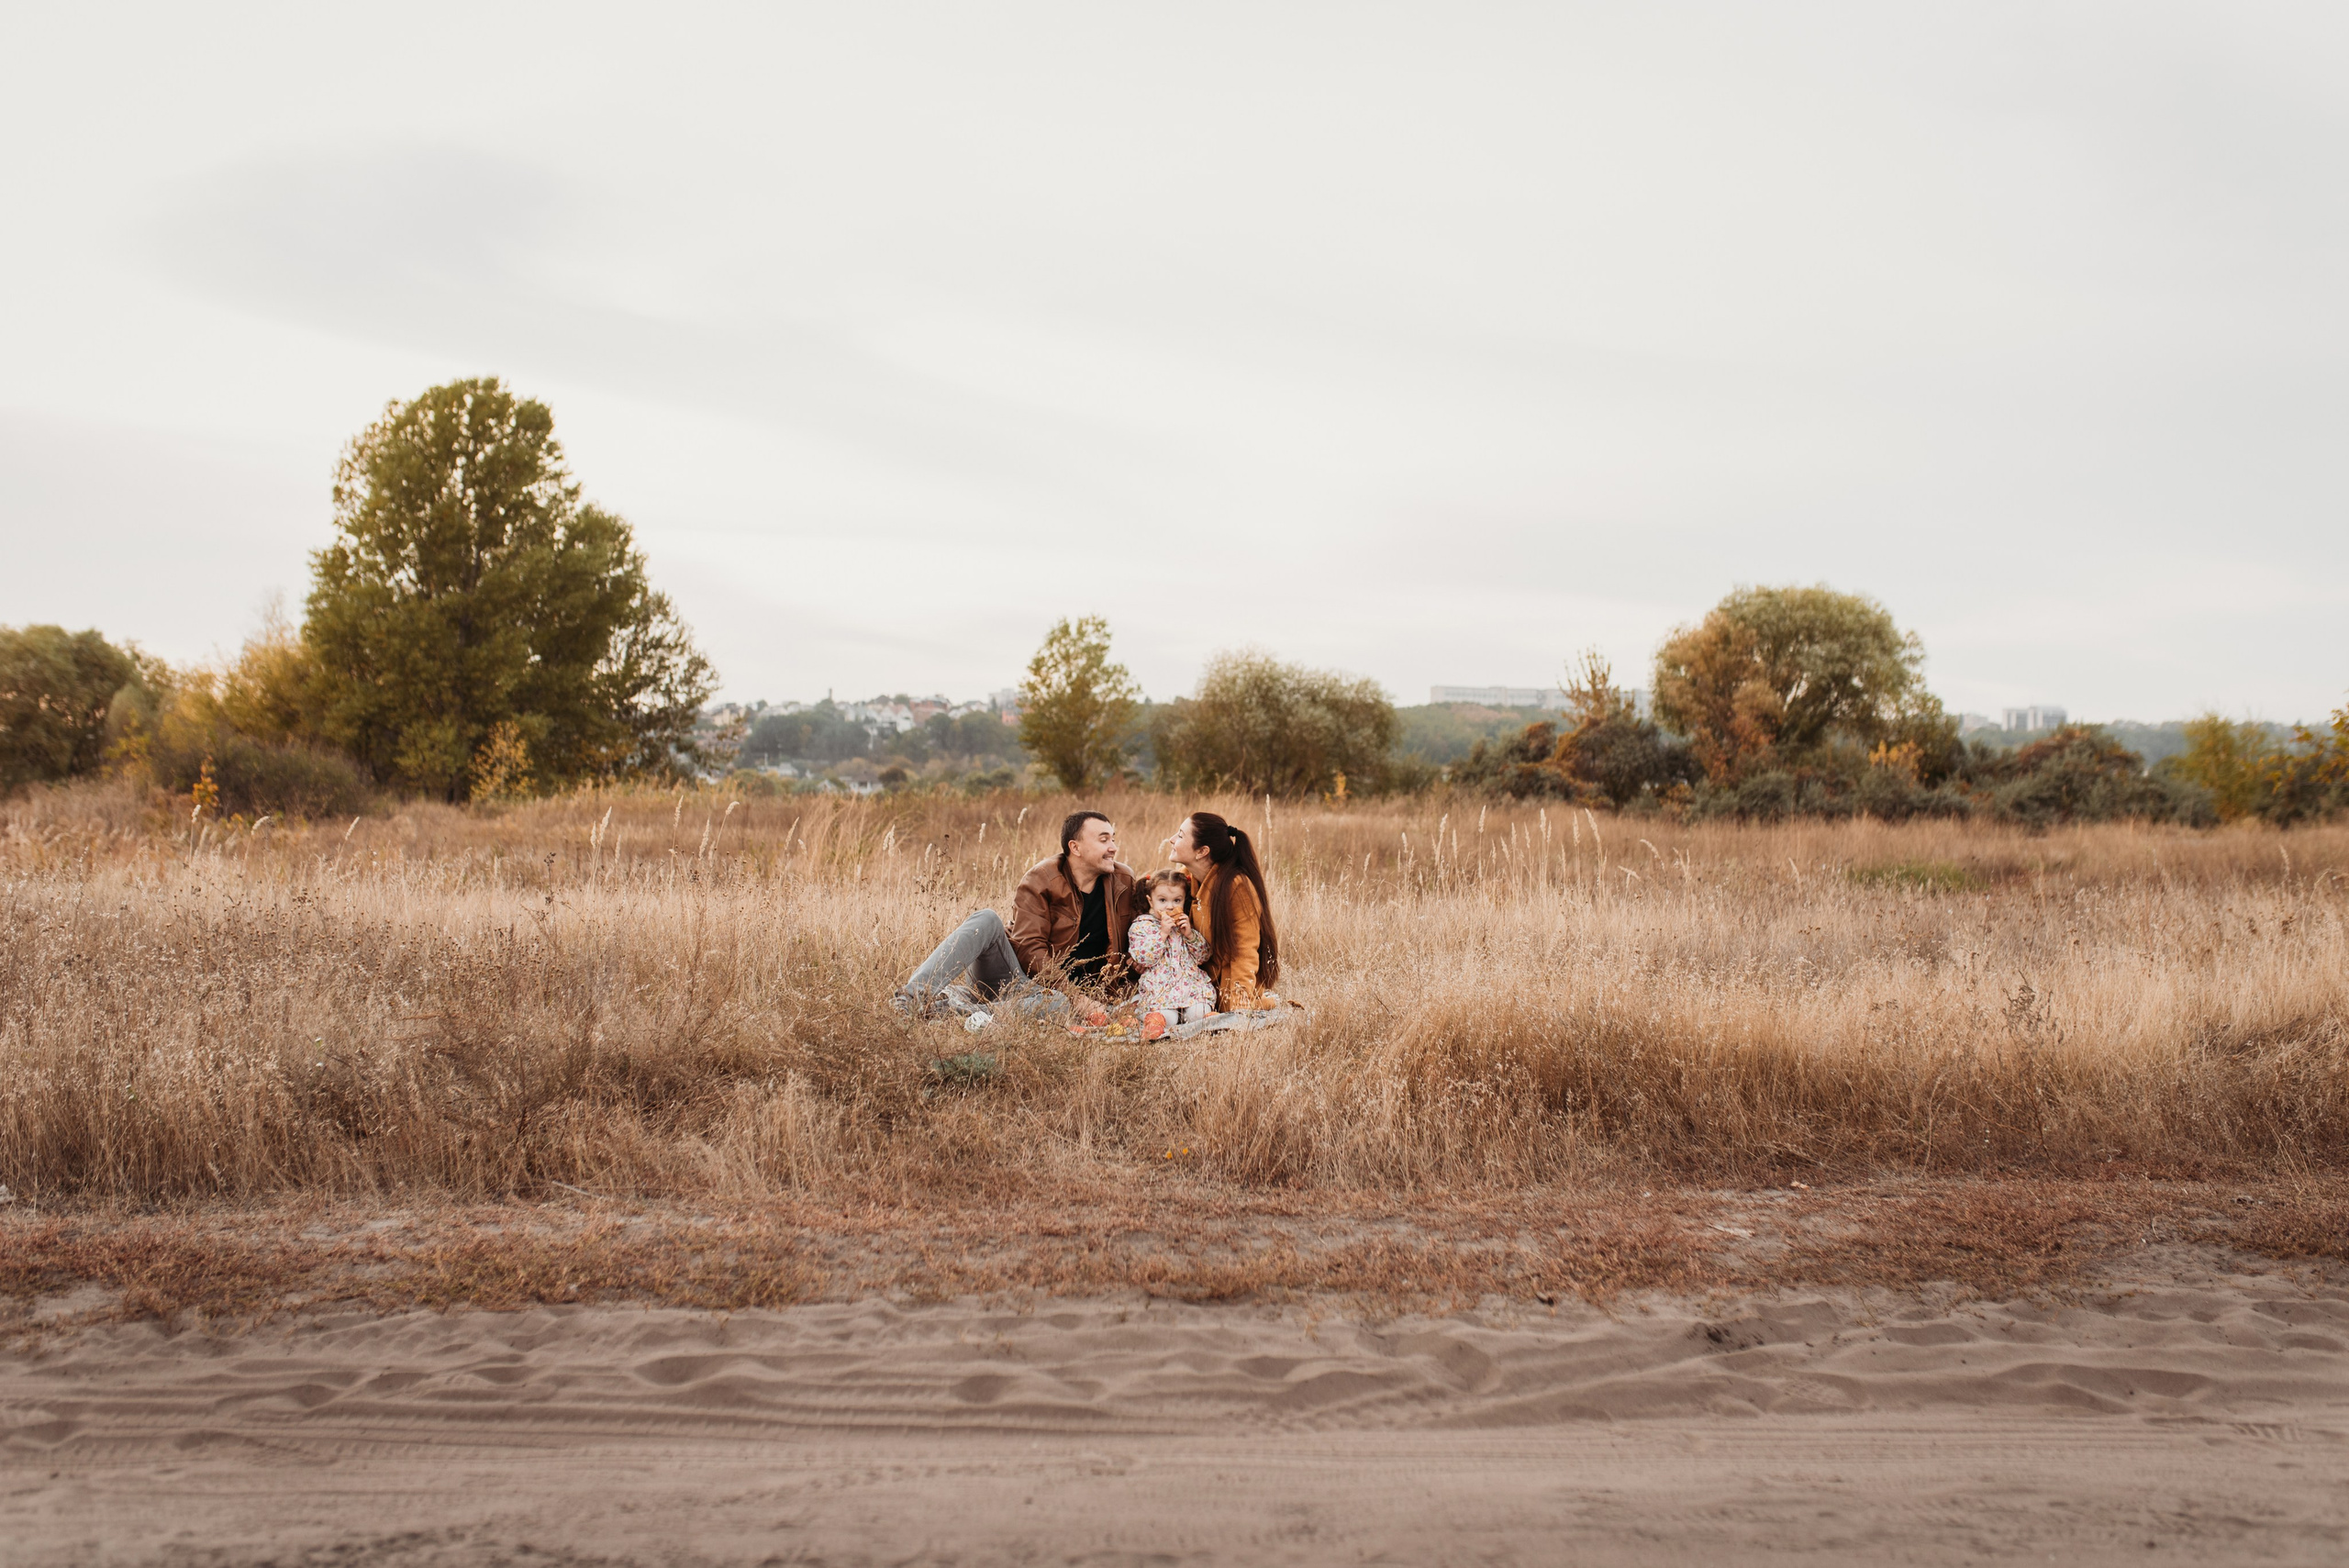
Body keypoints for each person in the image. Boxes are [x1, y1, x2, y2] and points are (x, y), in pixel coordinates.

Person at [895, 809, 1137, 1021]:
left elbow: (1143, 928)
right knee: (986, 919)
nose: (1113, 847)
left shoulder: (1123, 880)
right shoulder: (1042, 878)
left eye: (1113, 839)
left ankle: (958, 1010)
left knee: (1056, 1006)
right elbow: (1029, 950)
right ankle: (911, 998)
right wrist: (1074, 997)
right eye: (1104, 840)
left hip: (1056, 998)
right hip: (1017, 978)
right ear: (1075, 847)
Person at [1163, 811, 1281, 1011]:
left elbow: (1245, 949)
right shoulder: (1183, 879)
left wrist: (1239, 1002)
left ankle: (1261, 1003)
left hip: (1222, 988)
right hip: (1191, 984)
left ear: (1202, 851)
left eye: (1181, 835)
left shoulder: (1237, 886)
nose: (1172, 839)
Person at [1126, 868, 1217, 1032]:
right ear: (1150, 901)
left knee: (1198, 1013)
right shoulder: (1142, 925)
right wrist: (1162, 934)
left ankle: (1208, 1020)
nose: (1170, 906)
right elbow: (1143, 959)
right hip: (1160, 990)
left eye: (1176, 900)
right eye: (1162, 900)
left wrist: (1190, 935)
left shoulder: (1186, 925)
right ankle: (1152, 1021)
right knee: (1169, 1018)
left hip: (1189, 987)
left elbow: (1204, 956)